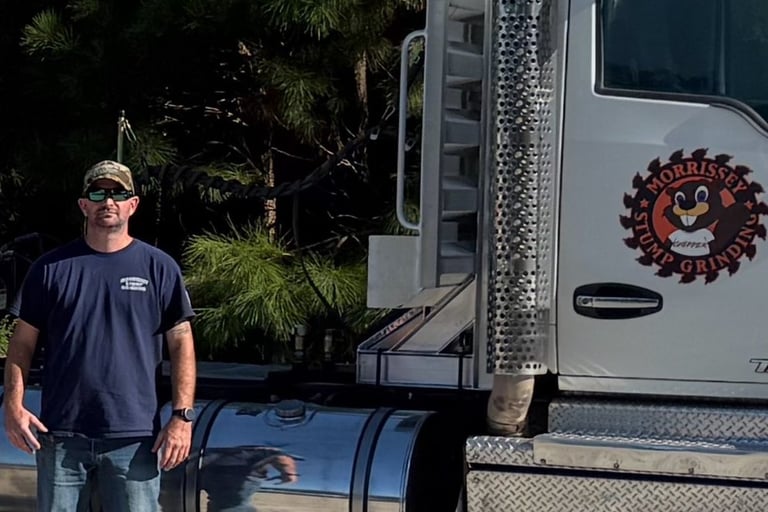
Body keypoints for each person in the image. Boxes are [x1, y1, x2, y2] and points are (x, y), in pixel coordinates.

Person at [2, 160, 197, 512]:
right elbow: (22, 344)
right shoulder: (49, 269)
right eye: (98, 194)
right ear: (84, 205)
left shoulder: (159, 268)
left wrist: (181, 418)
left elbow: (182, 343)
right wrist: (13, 407)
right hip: (61, 436)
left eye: (118, 194)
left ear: (132, 204)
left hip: (134, 437)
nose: (108, 202)